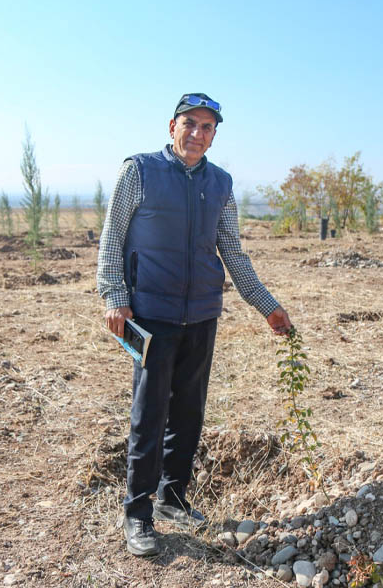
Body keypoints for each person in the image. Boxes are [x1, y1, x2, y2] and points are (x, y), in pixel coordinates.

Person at [96, 93, 292, 556]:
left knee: (189, 411)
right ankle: (138, 514)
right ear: (172, 126)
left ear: (214, 135)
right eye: (190, 124)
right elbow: (112, 237)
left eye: (207, 127)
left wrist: (267, 305)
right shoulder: (139, 171)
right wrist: (115, 297)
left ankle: (173, 499)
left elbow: (233, 251)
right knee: (149, 415)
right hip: (152, 315)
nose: (197, 134)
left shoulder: (221, 183)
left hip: (202, 314)